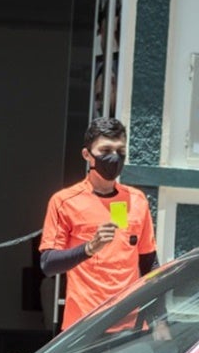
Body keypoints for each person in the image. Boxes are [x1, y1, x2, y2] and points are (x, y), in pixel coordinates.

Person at [40, 117, 158, 330]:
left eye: (120, 151)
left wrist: (160, 320)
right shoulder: (65, 201)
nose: (114, 158)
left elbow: (149, 264)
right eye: (105, 151)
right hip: (83, 327)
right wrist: (88, 249)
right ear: (87, 155)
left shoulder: (136, 200)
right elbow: (48, 263)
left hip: (129, 327)